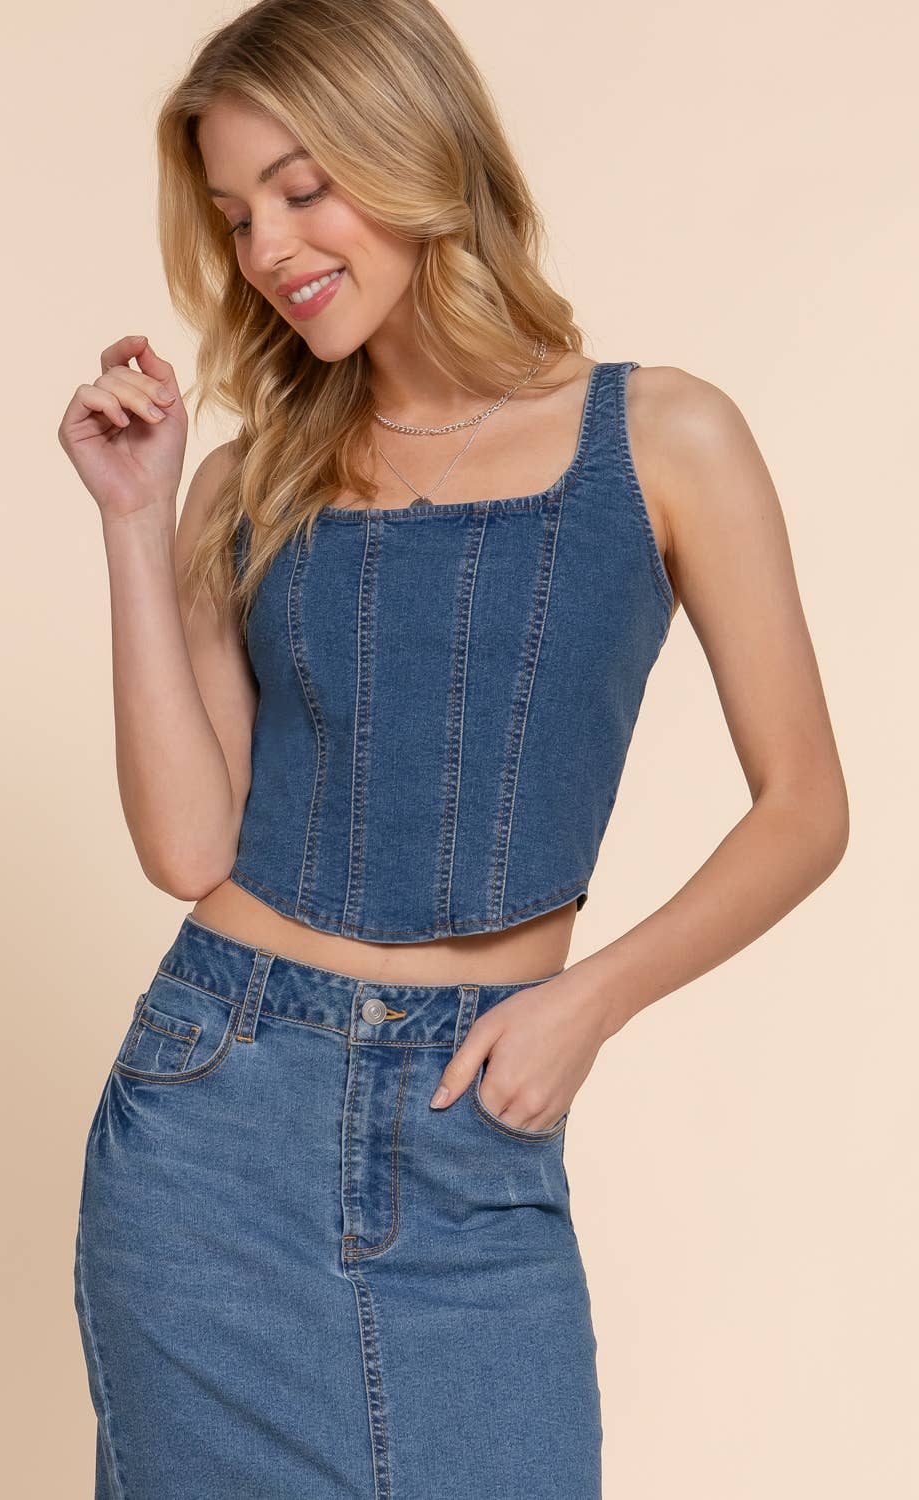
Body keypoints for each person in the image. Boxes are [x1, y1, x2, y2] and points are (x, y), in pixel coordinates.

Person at [57, 2, 849, 1496]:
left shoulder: (666, 436)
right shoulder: (246, 480)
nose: (269, 247)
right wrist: (135, 518)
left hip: (473, 1122)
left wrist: (591, 1002)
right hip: (217, 1117)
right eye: (235, 215)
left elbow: (805, 806)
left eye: (303, 188)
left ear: (413, 152)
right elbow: (186, 847)